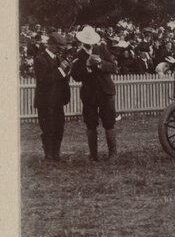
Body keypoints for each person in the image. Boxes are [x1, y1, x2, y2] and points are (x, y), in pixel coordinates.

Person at [70, 25, 119, 161]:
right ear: (82, 41)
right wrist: (86, 65)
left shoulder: (102, 49)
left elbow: (114, 67)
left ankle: (113, 154)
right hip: (89, 94)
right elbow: (75, 76)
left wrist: (100, 63)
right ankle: (93, 155)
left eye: (90, 41)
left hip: (105, 92)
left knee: (109, 122)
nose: (89, 43)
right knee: (90, 123)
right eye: (86, 41)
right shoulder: (78, 55)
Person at [33, 33, 72, 161]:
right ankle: (49, 156)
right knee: (48, 128)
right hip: (45, 101)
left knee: (59, 127)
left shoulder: (58, 58)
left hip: (58, 100)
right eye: (58, 47)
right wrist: (61, 70)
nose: (60, 50)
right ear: (50, 44)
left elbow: (62, 79)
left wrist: (67, 71)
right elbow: (44, 79)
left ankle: (56, 154)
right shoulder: (40, 59)